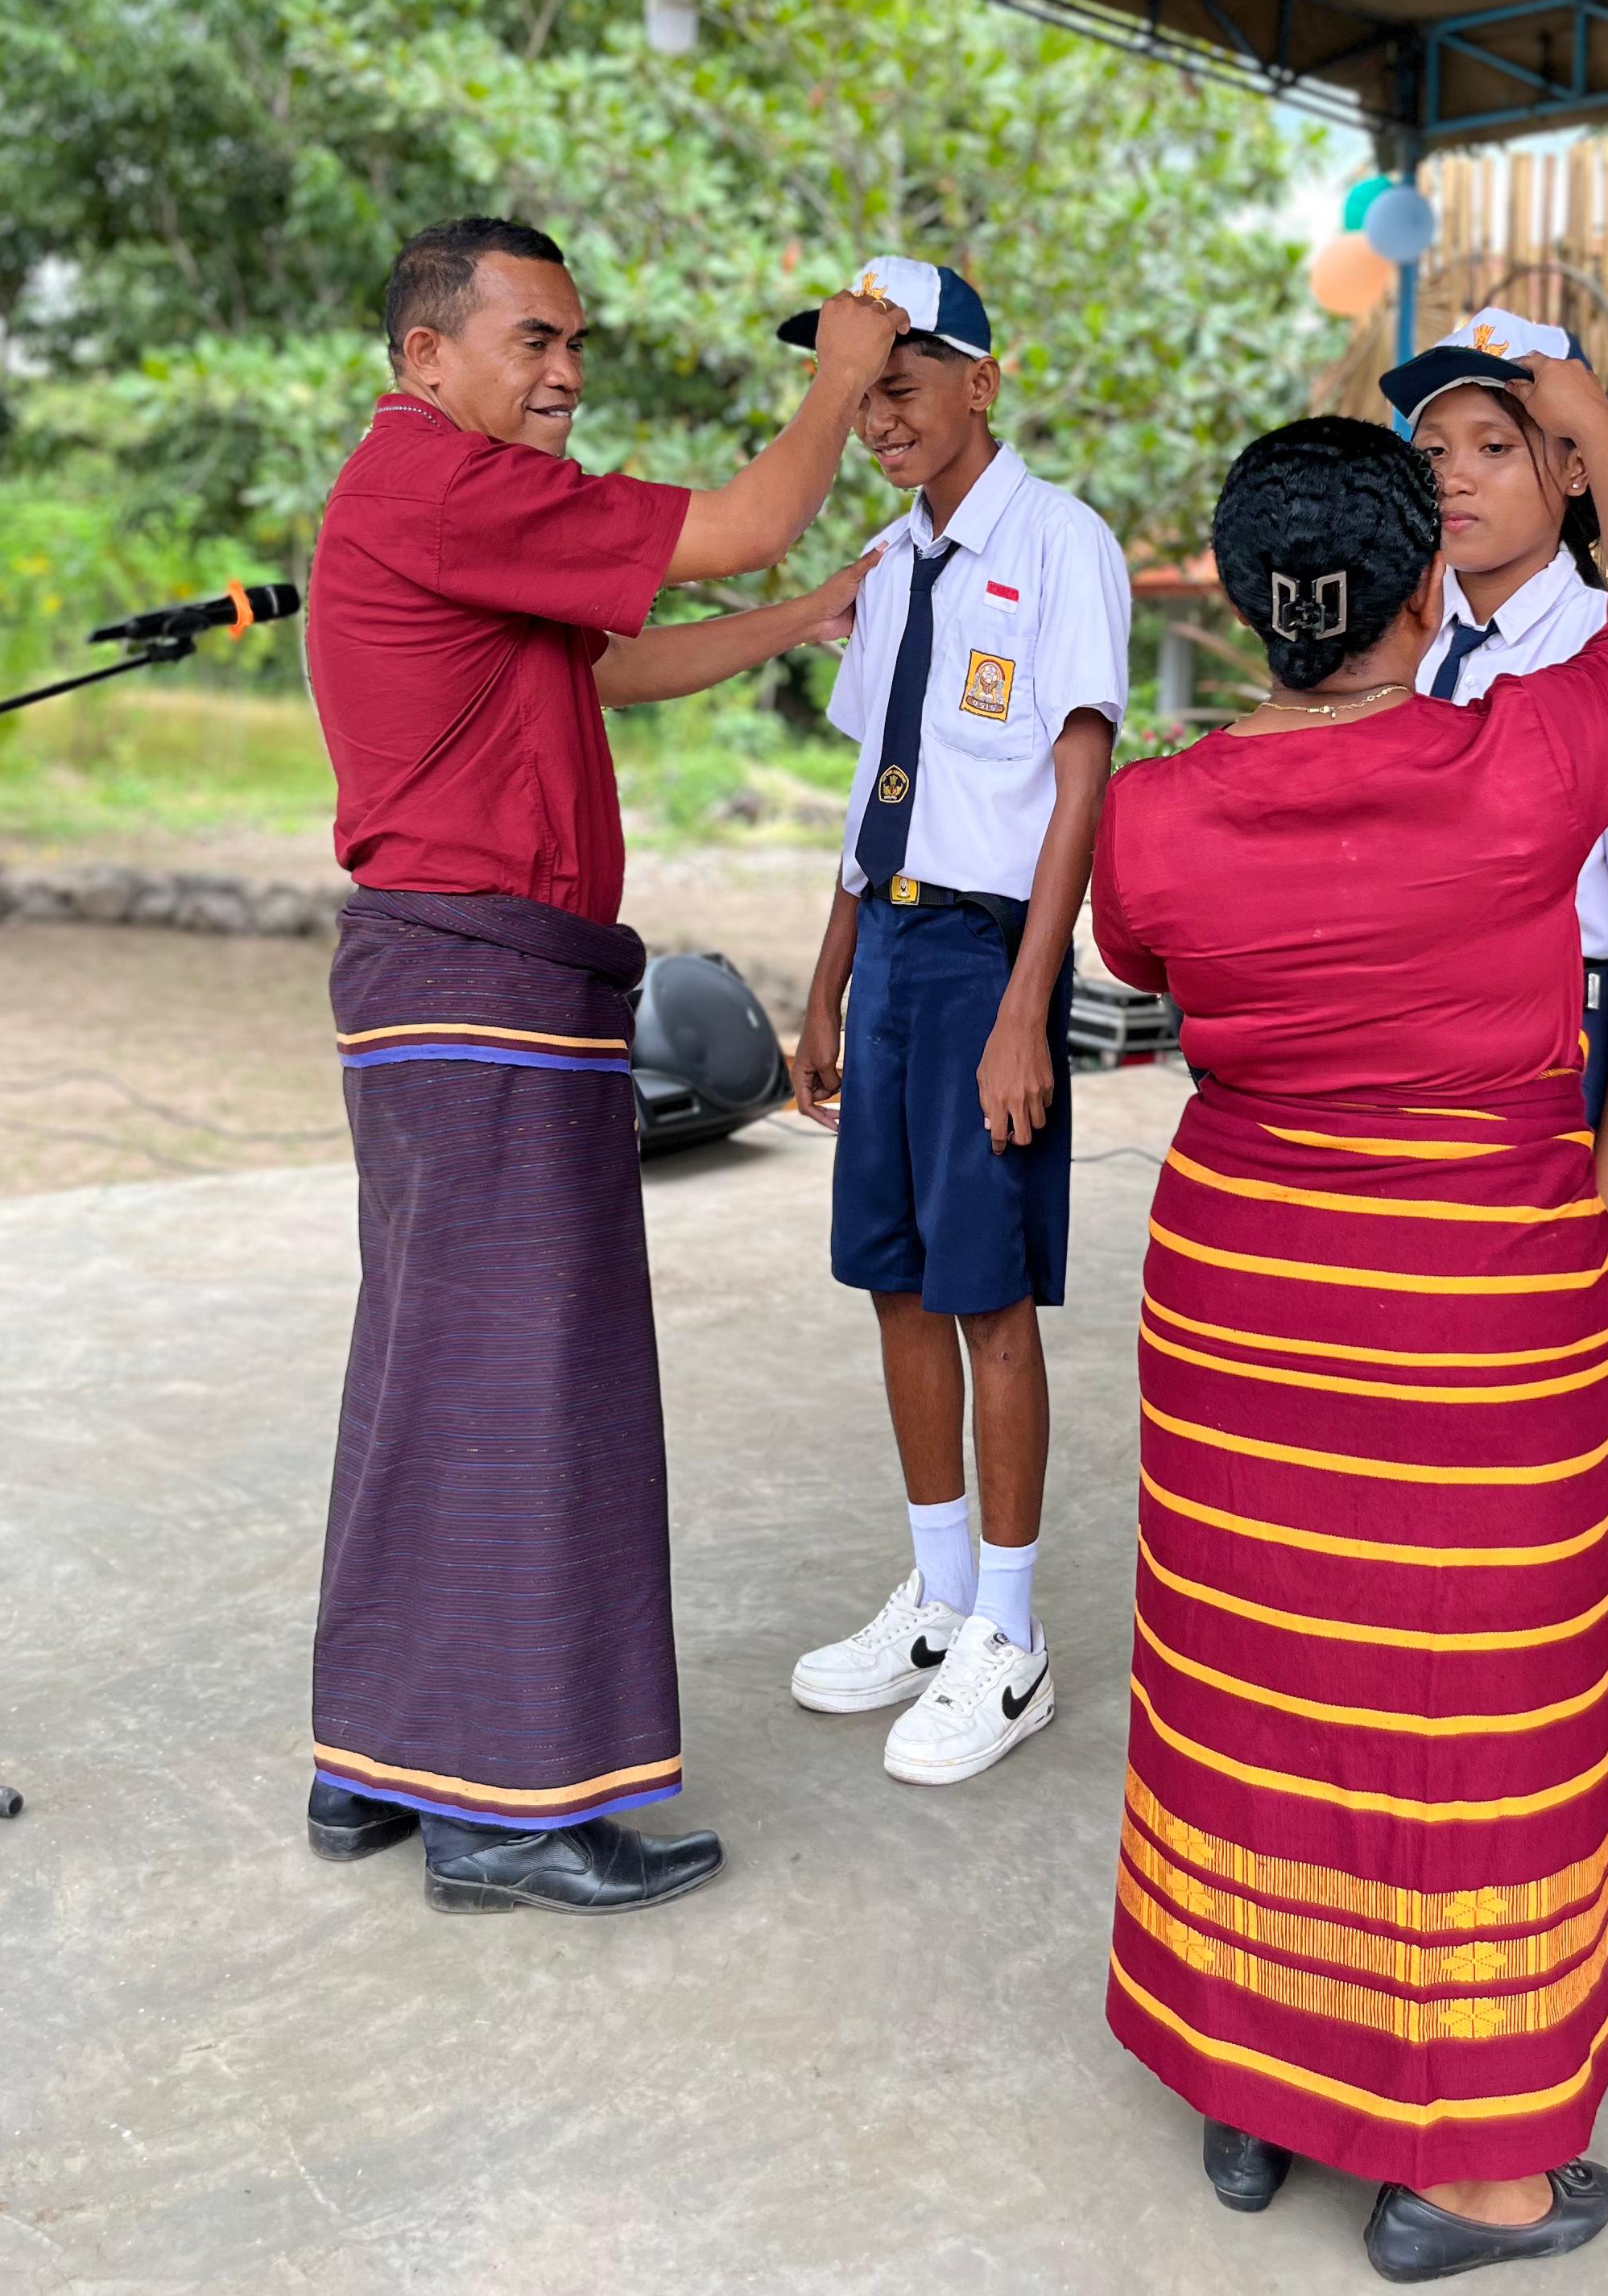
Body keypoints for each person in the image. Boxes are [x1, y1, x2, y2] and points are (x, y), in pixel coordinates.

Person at [1089, 361, 1608, 2282]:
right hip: (1467, 1301)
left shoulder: (1152, 816)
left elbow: (1143, 955)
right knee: (1469, 1702)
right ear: (1428, 590)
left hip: (1244, 1301)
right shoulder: (1527, 758)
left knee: (1252, 1671)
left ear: (1237, 599)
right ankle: (1478, 2177)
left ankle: (1252, 2080)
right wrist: (1583, 413)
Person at [301, 213, 907, 1915]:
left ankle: (380, 1762)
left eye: (576, 343)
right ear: (427, 356)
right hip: (480, 987)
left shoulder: (447, 497)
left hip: (465, 985)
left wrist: (808, 615)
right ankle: (506, 1810)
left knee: (434, 1373)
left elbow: (619, 662)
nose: (566, 370)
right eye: (535, 341)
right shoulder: (444, 479)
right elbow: (741, 519)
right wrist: (842, 375)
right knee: (524, 1390)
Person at [783, 255, 1130, 1784]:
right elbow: (878, 786)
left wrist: (1026, 1005)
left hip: (988, 954)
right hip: (891, 945)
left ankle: (1009, 1631)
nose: (877, 413)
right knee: (896, 1279)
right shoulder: (884, 563)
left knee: (986, 1292)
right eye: (858, 388)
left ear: (981, 381)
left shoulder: (1060, 546)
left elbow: (1078, 782)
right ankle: (932, 1600)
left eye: (903, 380)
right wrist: (824, 980)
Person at [1379, 312, 1608, 1542]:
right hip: (1415, 1050)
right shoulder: (1399, 647)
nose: (1453, 477)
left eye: (1495, 446)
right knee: (1420, 1400)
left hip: (1560, 1046)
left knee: (1554, 1439)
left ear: (1578, 467)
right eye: (1432, 451)